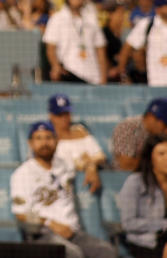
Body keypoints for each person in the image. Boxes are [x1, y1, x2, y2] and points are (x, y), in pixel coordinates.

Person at [10, 121, 116, 258]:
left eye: (49, 137)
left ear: (56, 141)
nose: (44, 143)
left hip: (73, 233)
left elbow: (93, 158)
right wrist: (50, 223)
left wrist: (91, 167)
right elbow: (20, 214)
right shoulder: (22, 173)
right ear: (30, 143)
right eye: (39, 138)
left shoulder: (65, 164)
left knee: (106, 251)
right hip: (43, 235)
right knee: (73, 254)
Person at [43, 0, 108, 84]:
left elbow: (100, 49)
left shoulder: (91, 19)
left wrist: (103, 76)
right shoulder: (57, 18)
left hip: (92, 73)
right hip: (69, 71)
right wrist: (55, 66)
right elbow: (51, 48)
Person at [118, 136, 167, 258]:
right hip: (146, 241)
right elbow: (128, 223)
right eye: (161, 154)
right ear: (150, 158)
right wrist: (162, 224)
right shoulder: (135, 182)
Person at [47, 94, 105, 193]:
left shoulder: (80, 130)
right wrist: (87, 164)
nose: (64, 118)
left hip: (88, 179)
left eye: (67, 113)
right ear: (51, 116)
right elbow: (62, 164)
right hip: (62, 185)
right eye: (59, 115)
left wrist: (90, 166)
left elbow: (100, 156)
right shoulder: (48, 138)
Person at [119, 0, 167, 86]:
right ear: (158, 9)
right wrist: (123, 75)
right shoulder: (147, 25)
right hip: (155, 81)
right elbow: (126, 49)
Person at [112, 98, 167, 171]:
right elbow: (126, 163)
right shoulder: (128, 127)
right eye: (165, 123)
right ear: (151, 117)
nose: (165, 128)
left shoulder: (160, 134)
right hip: (124, 177)